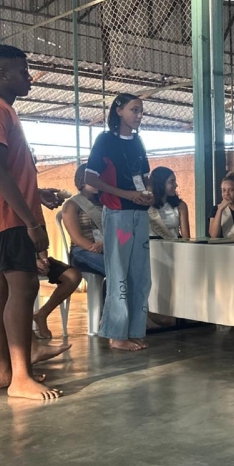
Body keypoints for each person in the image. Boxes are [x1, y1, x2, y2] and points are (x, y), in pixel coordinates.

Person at [0, 44, 66, 400]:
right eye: (22, 72)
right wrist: (32, 223)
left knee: (0, 288)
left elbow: (6, 170)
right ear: (0, 74)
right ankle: (21, 377)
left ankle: (4, 371)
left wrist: (36, 193)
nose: (29, 78)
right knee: (23, 289)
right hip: (7, 217)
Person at [85, 93, 153, 351]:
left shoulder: (138, 142)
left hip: (139, 213)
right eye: (134, 110)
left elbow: (144, 176)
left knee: (141, 275)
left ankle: (134, 330)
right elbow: (91, 179)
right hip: (117, 214)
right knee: (119, 274)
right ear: (119, 110)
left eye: (141, 111)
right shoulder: (105, 141)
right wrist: (127, 194)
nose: (139, 115)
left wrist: (147, 193)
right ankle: (116, 334)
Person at [62, 163, 106, 276]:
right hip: (82, 251)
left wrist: (105, 245)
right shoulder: (72, 204)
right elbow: (77, 238)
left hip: (106, 247)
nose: (98, 182)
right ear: (82, 180)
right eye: (94, 179)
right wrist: (96, 248)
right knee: (114, 265)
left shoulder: (105, 202)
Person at [148, 166, 190, 239]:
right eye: (171, 181)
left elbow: (186, 238)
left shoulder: (180, 206)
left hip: (174, 245)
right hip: (151, 245)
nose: (176, 185)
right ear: (160, 183)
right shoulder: (147, 206)